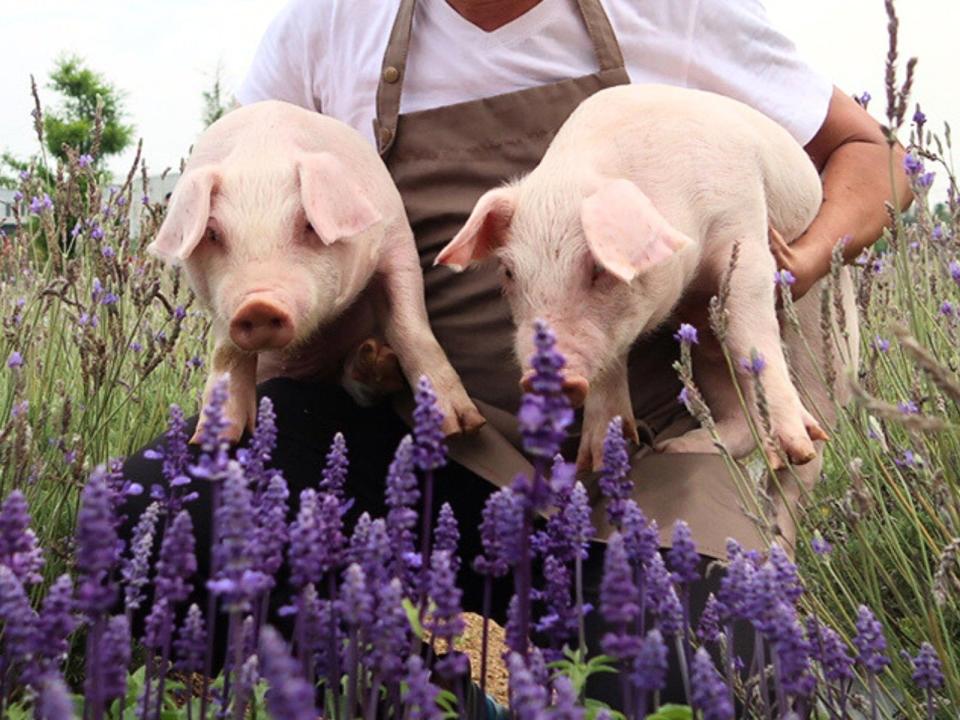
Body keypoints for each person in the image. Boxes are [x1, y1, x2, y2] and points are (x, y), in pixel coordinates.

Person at [123, 0, 911, 707]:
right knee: (152, 525)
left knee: (687, 674)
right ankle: (440, 669)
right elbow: (243, 191)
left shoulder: (677, 10)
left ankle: (421, 656)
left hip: (657, 455)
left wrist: (797, 261)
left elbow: (870, 153)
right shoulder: (331, 23)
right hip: (427, 440)